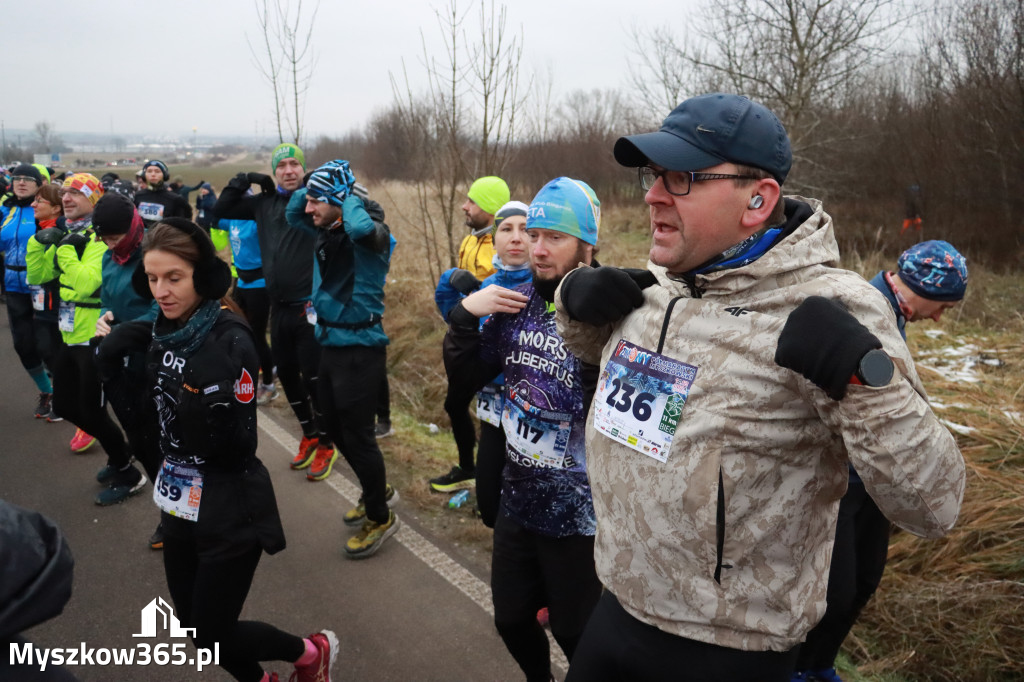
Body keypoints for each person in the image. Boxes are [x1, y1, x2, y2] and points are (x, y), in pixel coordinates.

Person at [553, 93, 966, 681]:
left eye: (681, 178)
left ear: (757, 199)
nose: (651, 194)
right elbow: (631, 391)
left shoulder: (836, 308)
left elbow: (934, 506)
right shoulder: (660, 288)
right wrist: (573, 304)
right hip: (617, 604)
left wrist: (864, 379)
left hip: (728, 650)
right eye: (653, 175)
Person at [135, 218, 337, 682]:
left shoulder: (230, 339)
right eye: (151, 278)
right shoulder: (162, 329)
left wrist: (208, 406)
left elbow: (237, 446)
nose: (161, 291)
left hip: (230, 503)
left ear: (203, 278)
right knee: (193, 629)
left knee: (212, 634)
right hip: (178, 501)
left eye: (174, 278)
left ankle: (310, 652)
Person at [444, 177, 603, 681]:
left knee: (577, 633)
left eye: (554, 237)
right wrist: (465, 318)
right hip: (520, 495)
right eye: (533, 236)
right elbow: (468, 376)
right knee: (511, 619)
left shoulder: (610, 315)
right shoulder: (519, 306)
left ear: (587, 245)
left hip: (580, 514)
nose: (537, 249)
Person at [793, 240, 969, 682]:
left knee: (865, 580)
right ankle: (800, 669)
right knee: (836, 590)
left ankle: (820, 666)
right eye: (943, 304)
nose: (940, 316)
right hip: (844, 479)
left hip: (872, 480)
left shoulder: (895, 314)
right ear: (922, 287)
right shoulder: (862, 309)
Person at [285, 160, 399, 557]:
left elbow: (362, 228)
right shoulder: (325, 228)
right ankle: (375, 490)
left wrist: (345, 192)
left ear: (339, 200)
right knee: (331, 426)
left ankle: (381, 516)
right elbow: (291, 210)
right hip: (330, 344)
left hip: (360, 349)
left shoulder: (373, 235)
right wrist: (315, 182)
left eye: (317, 200)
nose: (309, 208)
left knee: (359, 436)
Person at [214, 143, 335, 476]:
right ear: (274, 171)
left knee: (313, 378)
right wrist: (245, 178)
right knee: (289, 377)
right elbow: (220, 209)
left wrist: (317, 182)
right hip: (278, 305)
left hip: (308, 307)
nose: (289, 170)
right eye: (282, 166)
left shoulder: (315, 202)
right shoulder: (262, 203)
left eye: (295, 164)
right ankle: (309, 435)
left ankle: (327, 443)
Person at [26, 175, 144, 502]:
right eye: (65, 191)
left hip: (95, 334)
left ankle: (128, 471)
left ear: (94, 199)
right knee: (64, 405)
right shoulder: (69, 232)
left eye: (76, 192)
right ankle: (120, 455)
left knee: (92, 411)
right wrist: (39, 243)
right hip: (69, 331)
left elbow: (88, 284)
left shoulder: (99, 236)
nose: (67, 197)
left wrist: (63, 250)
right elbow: (38, 276)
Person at [434, 200, 532, 525]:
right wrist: (451, 280)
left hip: (532, 419)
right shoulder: (488, 287)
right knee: (490, 507)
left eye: (526, 230)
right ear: (495, 238)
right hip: (491, 415)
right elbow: (454, 323)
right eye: (506, 229)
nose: (516, 238)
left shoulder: (552, 290)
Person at [428, 175, 512, 492]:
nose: (464, 206)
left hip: (488, 350)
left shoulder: (500, 245)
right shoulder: (471, 240)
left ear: (489, 208)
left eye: (472, 201)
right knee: (464, 407)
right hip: (466, 341)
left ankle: (483, 476)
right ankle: (476, 471)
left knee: (476, 411)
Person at [0, 164, 54, 418]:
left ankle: (65, 392)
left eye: (27, 179)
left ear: (38, 183)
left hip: (43, 286)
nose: (21, 182)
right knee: (23, 345)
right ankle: (47, 391)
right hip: (13, 287)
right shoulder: (6, 211)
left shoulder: (44, 209)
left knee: (48, 344)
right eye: (17, 178)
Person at [218, 207, 277, 405]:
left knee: (257, 335)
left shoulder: (256, 221)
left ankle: (269, 383)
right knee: (237, 328)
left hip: (259, 284)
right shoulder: (232, 219)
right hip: (241, 282)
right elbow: (216, 214)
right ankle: (245, 375)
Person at [28, 183, 64, 420]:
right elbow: (35, 276)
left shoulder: (61, 234)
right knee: (46, 352)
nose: (33, 204)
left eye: (39, 201)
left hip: (60, 307)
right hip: (42, 306)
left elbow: (44, 274)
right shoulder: (39, 231)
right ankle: (60, 399)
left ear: (56, 208)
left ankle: (63, 403)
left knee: (58, 356)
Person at [134, 160, 192, 227]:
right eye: (149, 171)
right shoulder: (137, 196)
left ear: (164, 175)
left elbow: (184, 224)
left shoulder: (176, 200)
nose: (153, 174)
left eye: (157, 171)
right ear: (144, 175)